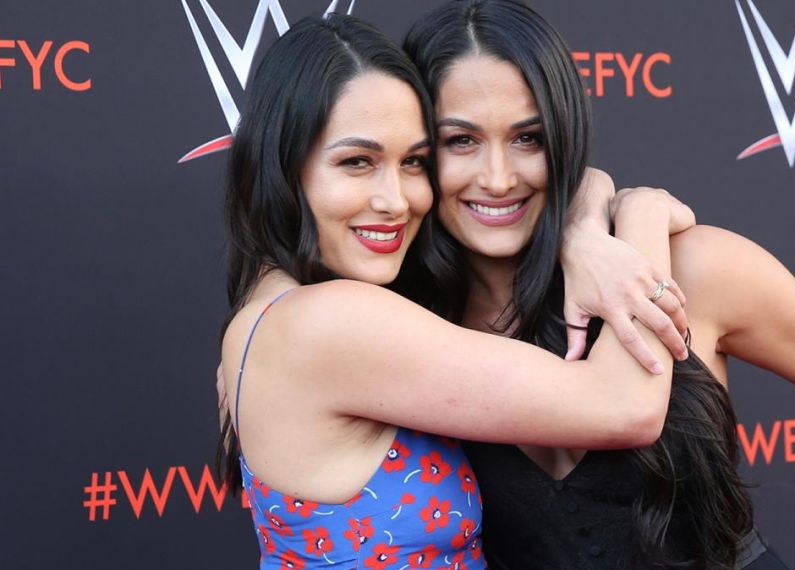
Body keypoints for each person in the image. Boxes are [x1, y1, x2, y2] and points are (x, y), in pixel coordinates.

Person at [401, 1, 795, 569]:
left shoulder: (692, 269)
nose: (499, 177)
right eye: (461, 141)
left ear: (563, 135)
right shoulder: (408, 328)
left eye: (528, 138)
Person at [217, 13, 696, 569]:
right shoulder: (328, 321)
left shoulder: (267, 314)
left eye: (414, 162)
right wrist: (639, 215)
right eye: (357, 162)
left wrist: (585, 220)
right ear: (282, 165)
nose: (395, 200)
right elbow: (626, 408)